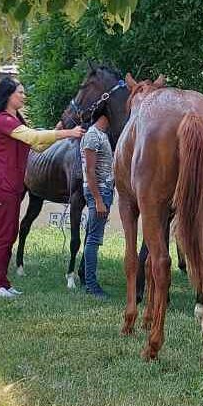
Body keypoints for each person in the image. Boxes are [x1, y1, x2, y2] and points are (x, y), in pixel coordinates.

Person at [0, 77, 82, 297]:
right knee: (0, 236)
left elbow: (37, 145)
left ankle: (3, 283)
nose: (23, 96)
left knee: (9, 235)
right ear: (8, 95)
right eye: (20, 92)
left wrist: (56, 132)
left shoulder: (16, 120)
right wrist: (68, 133)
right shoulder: (3, 120)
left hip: (10, 187)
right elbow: (34, 137)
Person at [80, 102, 114, 299]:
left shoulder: (102, 135)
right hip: (98, 192)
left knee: (91, 237)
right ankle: (91, 286)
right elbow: (89, 170)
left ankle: (88, 280)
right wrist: (98, 200)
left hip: (103, 191)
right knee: (93, 239)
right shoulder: (93, 135)